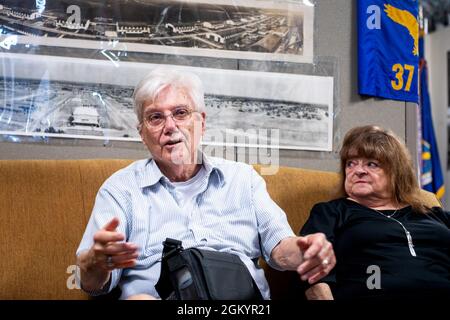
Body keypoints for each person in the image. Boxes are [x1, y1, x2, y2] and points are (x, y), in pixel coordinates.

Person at [76, 68, 335, 300]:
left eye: (180, 113)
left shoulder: (243, 180)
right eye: (155, 117)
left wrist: (304, 251)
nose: (170, 126)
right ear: (142, 133)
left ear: (201, 122)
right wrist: (95, 264)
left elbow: (280, 249)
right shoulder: (121, 190)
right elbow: (92, 285)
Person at [299, 125, 450, 300]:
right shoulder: (331, 212)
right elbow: (311, 268)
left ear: (397, 171)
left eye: (371, 164)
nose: (358, 170)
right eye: (351, 163)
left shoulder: (432, 214)